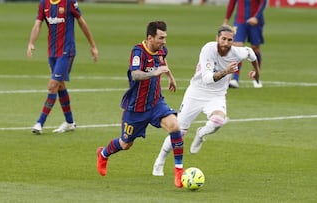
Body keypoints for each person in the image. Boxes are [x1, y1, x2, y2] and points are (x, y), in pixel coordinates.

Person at [152, 25, 260, 176]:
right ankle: (160, 161)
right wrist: (227, 72)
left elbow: (251, 53)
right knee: (178, 132)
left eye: (230, 40)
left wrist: (257, 73)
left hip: (216, 96)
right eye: (223, 39)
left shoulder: (236, 52)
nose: (226, 43)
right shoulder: (208, 50)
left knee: (218, 121)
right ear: (217, 39)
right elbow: (208, 79)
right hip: (196, 93)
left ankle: (201, 134)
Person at [96, 21, 184, 188]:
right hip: (136, 108)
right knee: (125, 143)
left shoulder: (161, 49)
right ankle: (103, 154)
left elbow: (163, 61)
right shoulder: (138, 52)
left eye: (165, 37)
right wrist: (154, 73)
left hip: (156, 103)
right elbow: (135, 74)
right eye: (161, 38)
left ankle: (179, 171)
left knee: (174, 126)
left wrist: (170, 77)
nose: (164, 41)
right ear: (150, 38)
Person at [27, 0, 98, 134]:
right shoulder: (44, 4)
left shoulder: (69, 2)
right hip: (52, 52)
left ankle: (39, 123)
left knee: (53, 85)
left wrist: (93, 46)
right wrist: (31, 42)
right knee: (60, 85)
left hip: (67, 51)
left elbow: (82, 22)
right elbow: (38, 24)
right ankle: (70, 122)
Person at [222, 0, 267, 88]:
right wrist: (226, 19)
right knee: (237, 47)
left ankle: (256, 76)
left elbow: (263, 2)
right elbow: (232, 3)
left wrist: (256, 17)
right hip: (240, 21)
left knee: (255, 48)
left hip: (255, 22)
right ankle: (235, 78)